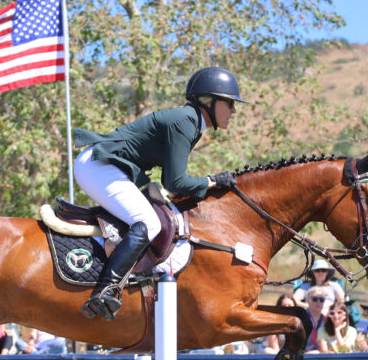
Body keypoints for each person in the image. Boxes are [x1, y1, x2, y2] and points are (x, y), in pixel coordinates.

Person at [73, 66, 247, 321]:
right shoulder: (186, 121)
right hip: (99, 165)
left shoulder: (190, 121)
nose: (233, 110)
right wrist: (212, 181)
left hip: (105, 166)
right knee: (148, 223)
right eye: (230, 103)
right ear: (209, 102)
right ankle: (104, 292)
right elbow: (175, 181)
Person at [302, 285, 330, 353]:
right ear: (308, 300)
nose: (318, 302)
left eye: (321, 299)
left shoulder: (328, 320)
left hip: (324, 357)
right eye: (315, 299)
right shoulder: (301, 319)